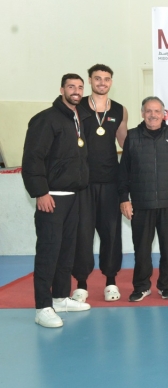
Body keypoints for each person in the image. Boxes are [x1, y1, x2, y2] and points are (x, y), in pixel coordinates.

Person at [22, 74, 92, 327]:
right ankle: (42, 307)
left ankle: (60, 297)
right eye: (71, 87)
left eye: (80, 87)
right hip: (51, 198)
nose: (76, 91)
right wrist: (41, 192)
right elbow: (33, 158)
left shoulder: (76, 118)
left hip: (73, 197)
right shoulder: (46, 119)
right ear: (62, 89)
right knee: (48, 252)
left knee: (66, 251)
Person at [119, 96, 168, 302]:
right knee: (141, 250)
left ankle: (165, 286)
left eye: (157, 111)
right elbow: (123, 172)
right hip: (142, 204)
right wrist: (124, 199)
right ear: (142, 113)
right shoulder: (132, 137)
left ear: (163, 114)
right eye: (148, 111)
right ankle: (141, 287)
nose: (153, 115)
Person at [72, 64, 128, 303]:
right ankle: (81, 284)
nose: (102, 82)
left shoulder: (120, 109)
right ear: (90, 80)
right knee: (82, 233)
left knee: (111, 233)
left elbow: (125, 143)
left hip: (110, 181)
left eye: (106, 79)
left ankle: (111, 281)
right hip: (82, 182)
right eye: (97, 78)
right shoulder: (78, 107)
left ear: (111, 82)